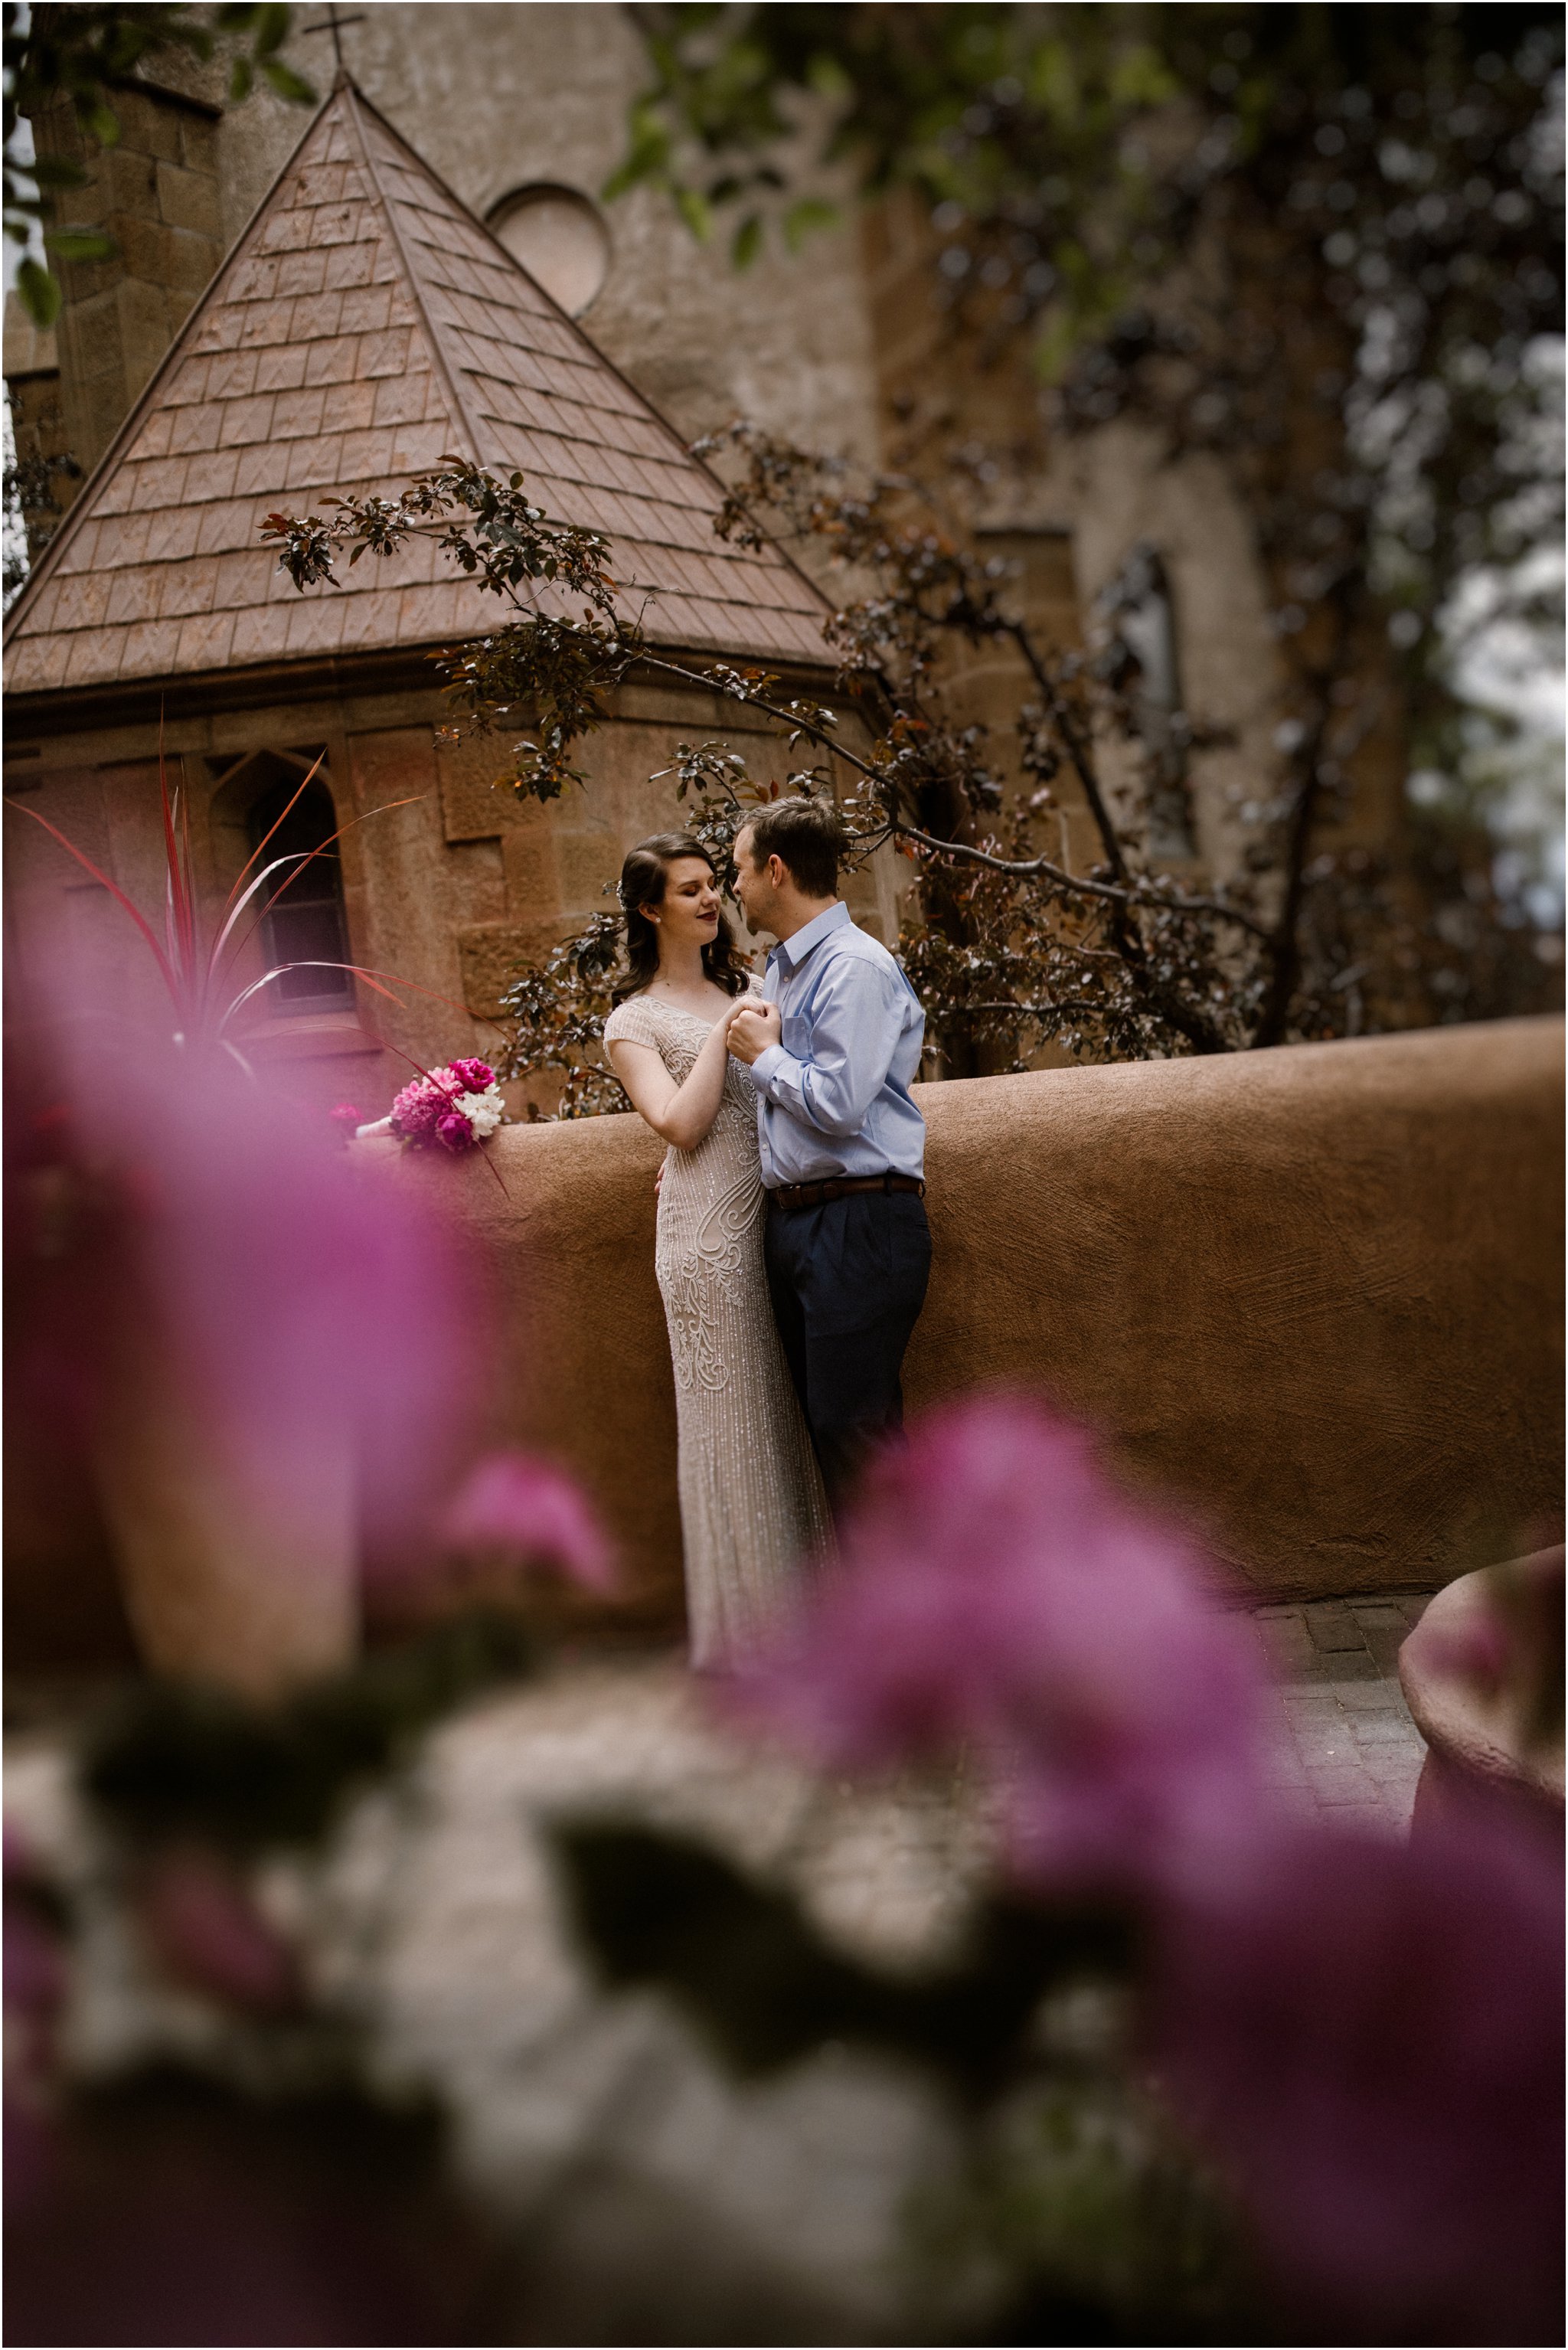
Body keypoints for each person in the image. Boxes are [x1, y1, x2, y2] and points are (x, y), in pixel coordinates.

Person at [603, 833, 831, 1669]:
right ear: (647, 908)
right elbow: (678, 1125)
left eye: (712, 885)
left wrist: (739, 1018)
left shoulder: (753, 984)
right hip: (701, 1243)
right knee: (730, 1426)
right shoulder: (630, 1022)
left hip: (771, 1223)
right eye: (688, 889)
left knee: (783, 1416)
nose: (710, 900)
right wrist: (719, 1036)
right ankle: (752, 1639)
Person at [726, 797, 931, 1509]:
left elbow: (841, 1105)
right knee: (841, 1433)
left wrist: (767, 1056)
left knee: (855, 1432)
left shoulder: (856, 968)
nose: (735, 890)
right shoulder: (783, 972)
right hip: (799, 1226)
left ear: (775, 870)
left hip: (859, 1222)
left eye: (739, 872)